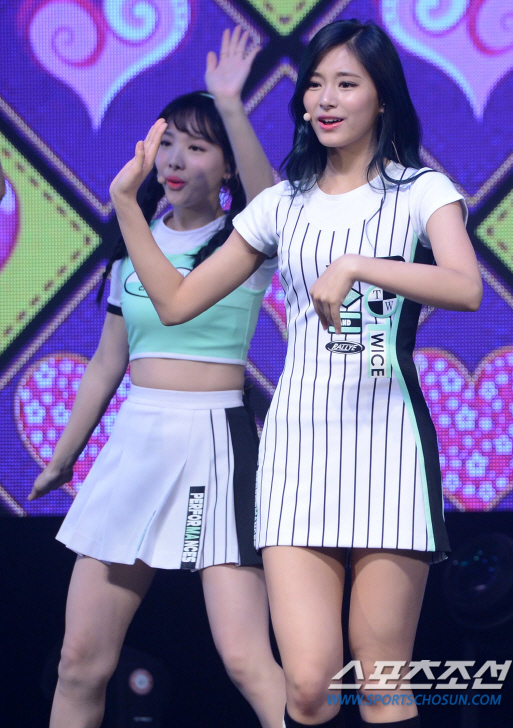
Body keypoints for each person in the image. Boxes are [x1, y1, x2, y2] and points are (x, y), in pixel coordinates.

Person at [108, 19, 483, 728]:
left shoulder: (422, 191)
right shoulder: (282, 204)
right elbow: (176, 302)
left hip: (387, 446)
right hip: (296, 453)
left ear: (382, 97)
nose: (326, 99)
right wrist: (127, 205)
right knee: (308, 688)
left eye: (346, 84)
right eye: (315, 84)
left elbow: (466, 287)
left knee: (382, 683)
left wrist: (358, 266)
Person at [29, 27, 285, 728]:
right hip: (136, 446)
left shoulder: (243, 240)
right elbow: (107, 364)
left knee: (246, 660)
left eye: (196, 147)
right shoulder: (129, 254)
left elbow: (270, 200)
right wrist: (63, 458)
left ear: (226, 168)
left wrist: (230, 103)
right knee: (80, 662)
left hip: (214, 446)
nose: (174, 159)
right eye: (167, 142)